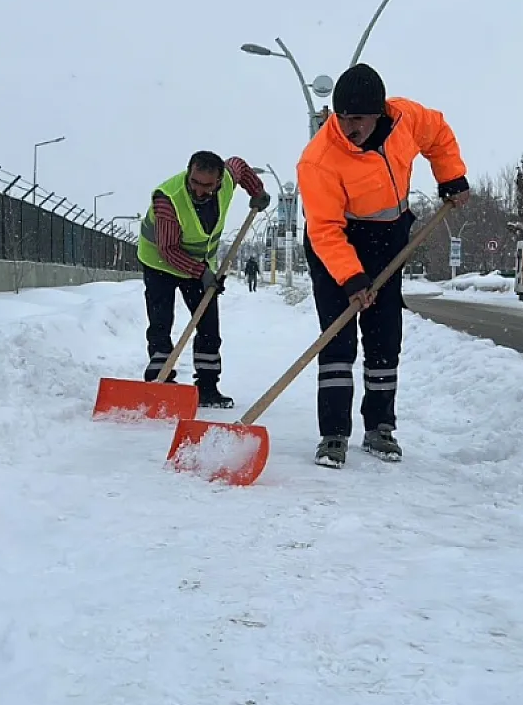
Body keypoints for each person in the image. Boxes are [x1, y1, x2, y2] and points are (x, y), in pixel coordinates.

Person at [296, 63, 470, 468]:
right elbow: (325, 230)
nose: (348, 126)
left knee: (384, 335)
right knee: (338, 341)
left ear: (379, 113)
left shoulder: (407, 118)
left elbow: (440, 134)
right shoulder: (319, 159)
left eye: (357, 118)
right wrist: (352, 278)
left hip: (388, 239)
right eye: (341, 117)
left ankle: (380, 427)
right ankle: (334, 434)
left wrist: (452, 177)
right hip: (336, 245)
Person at [135, 151, 270, 408]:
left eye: (207, 186)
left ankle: (207, 387)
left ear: (219, 180)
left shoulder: (227, 180)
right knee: (161, 320)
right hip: (159, 261)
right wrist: (201, 273)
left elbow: (238, 165)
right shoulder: (168, 200)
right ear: (188, 173)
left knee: (208, 324)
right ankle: (160, 380)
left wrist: (257, 190)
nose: (198, 191)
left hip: (199, 262)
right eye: (194, 183)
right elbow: (169, 250)